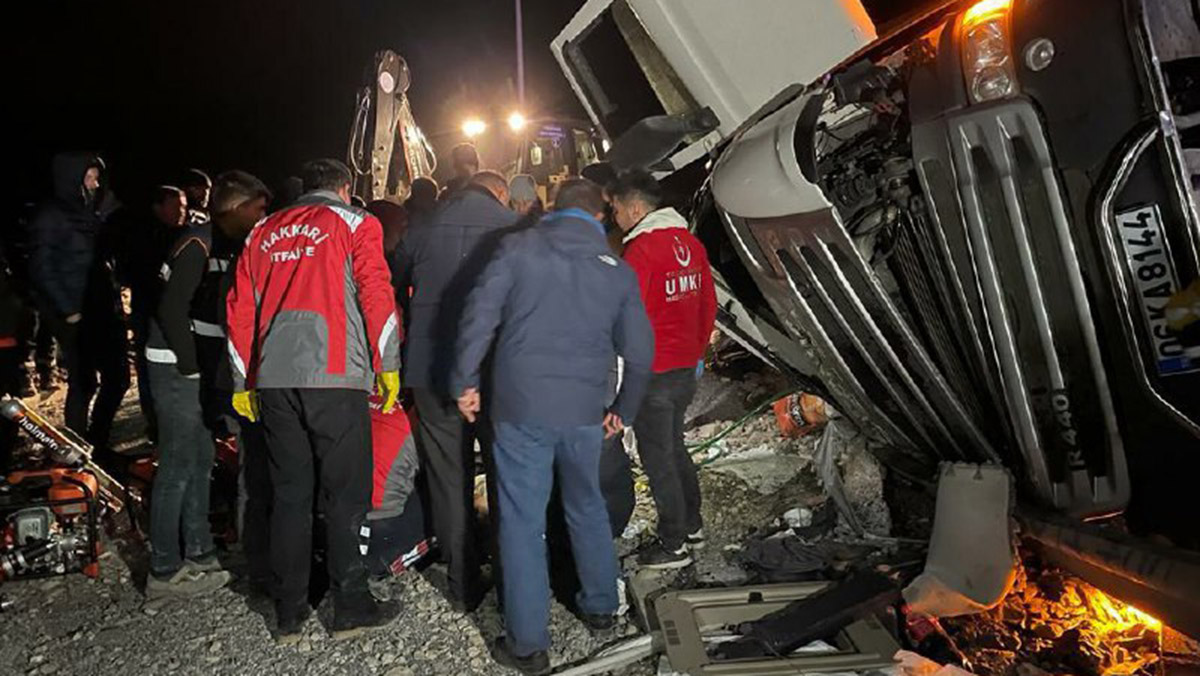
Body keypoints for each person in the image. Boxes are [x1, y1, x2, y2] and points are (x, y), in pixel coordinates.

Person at [452, 179, 654, 674]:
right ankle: (602, 607)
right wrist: (623, 410)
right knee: (586, 504)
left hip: (520, 406)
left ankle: (528, 645)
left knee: (521, 521)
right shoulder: (615, 269)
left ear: (551, 210)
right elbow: (641, 352)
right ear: (600, 216)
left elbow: (479, 314)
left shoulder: (518, 247)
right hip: (585, 407)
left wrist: (465, 379)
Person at [226, 158, 401, 643]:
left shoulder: (263, 232)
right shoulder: (355, 222)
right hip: (336, 375)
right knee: (345, 495)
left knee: (289, 495)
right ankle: (350, 604)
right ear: (345, 189)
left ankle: (289, 611)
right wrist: (388, 365)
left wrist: (243, 382)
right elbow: (376, 293)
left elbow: (240, 309)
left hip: (276, 381)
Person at [402, 170, 516, 610]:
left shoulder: (423, 224)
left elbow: (391, 279)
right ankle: (511, 578)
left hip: (430, 369)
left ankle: (463, 581)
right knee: (505, 472)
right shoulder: (511, 226)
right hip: (495, 369)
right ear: (500, 192)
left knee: (448, 478)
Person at [608, 170, 717, 569]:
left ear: (635, 207)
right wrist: (698, 350)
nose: (615, 216)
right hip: (685, 368)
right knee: (674, 447)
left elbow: (626, 315)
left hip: (653, 372)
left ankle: (673, 545)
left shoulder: (640, 252)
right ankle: (692, 525)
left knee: (658, 459)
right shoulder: (688, 242)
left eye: (616, 208)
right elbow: (708, 304)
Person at [142, 193, 234, 599]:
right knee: (178, 462)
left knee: (201, 457)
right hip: (175, 366)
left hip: (188, 364)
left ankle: (199, 551)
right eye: (257, 209)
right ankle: (163, 568)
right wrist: (192, 365)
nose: (260, 218)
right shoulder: (197, 244)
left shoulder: (210, 241)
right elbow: (172, 309)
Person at [189, 171, 272, 589]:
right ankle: (252, 551)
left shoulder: (232, 244)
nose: (263, 217)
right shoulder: (208, 244)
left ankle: (247, 543)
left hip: (223, 370)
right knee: (251, 465)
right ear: (237, 207)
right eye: (258, 209)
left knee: (242, 461)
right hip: (229, 373)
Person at [28, 153, 130, 466]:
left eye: (98, 176)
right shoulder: (51, 216)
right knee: (83, 381)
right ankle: (75, 448)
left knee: (114, 378)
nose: (96, 182)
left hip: (98, 305)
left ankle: (95, 441)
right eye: (90, 177)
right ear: (72, 178)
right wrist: (68, 309)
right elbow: (42, 267)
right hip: (73, 311)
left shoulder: (92, 211)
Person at [119, 186, 188, 444]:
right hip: (150, 314)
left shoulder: (184, 233)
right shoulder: (143, 237)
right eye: (176, 206)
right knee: (151, 372)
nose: (182, 211)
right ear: (158, 207)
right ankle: (157, 425)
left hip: (178, 315)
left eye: (183, 206)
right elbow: (137, 274)